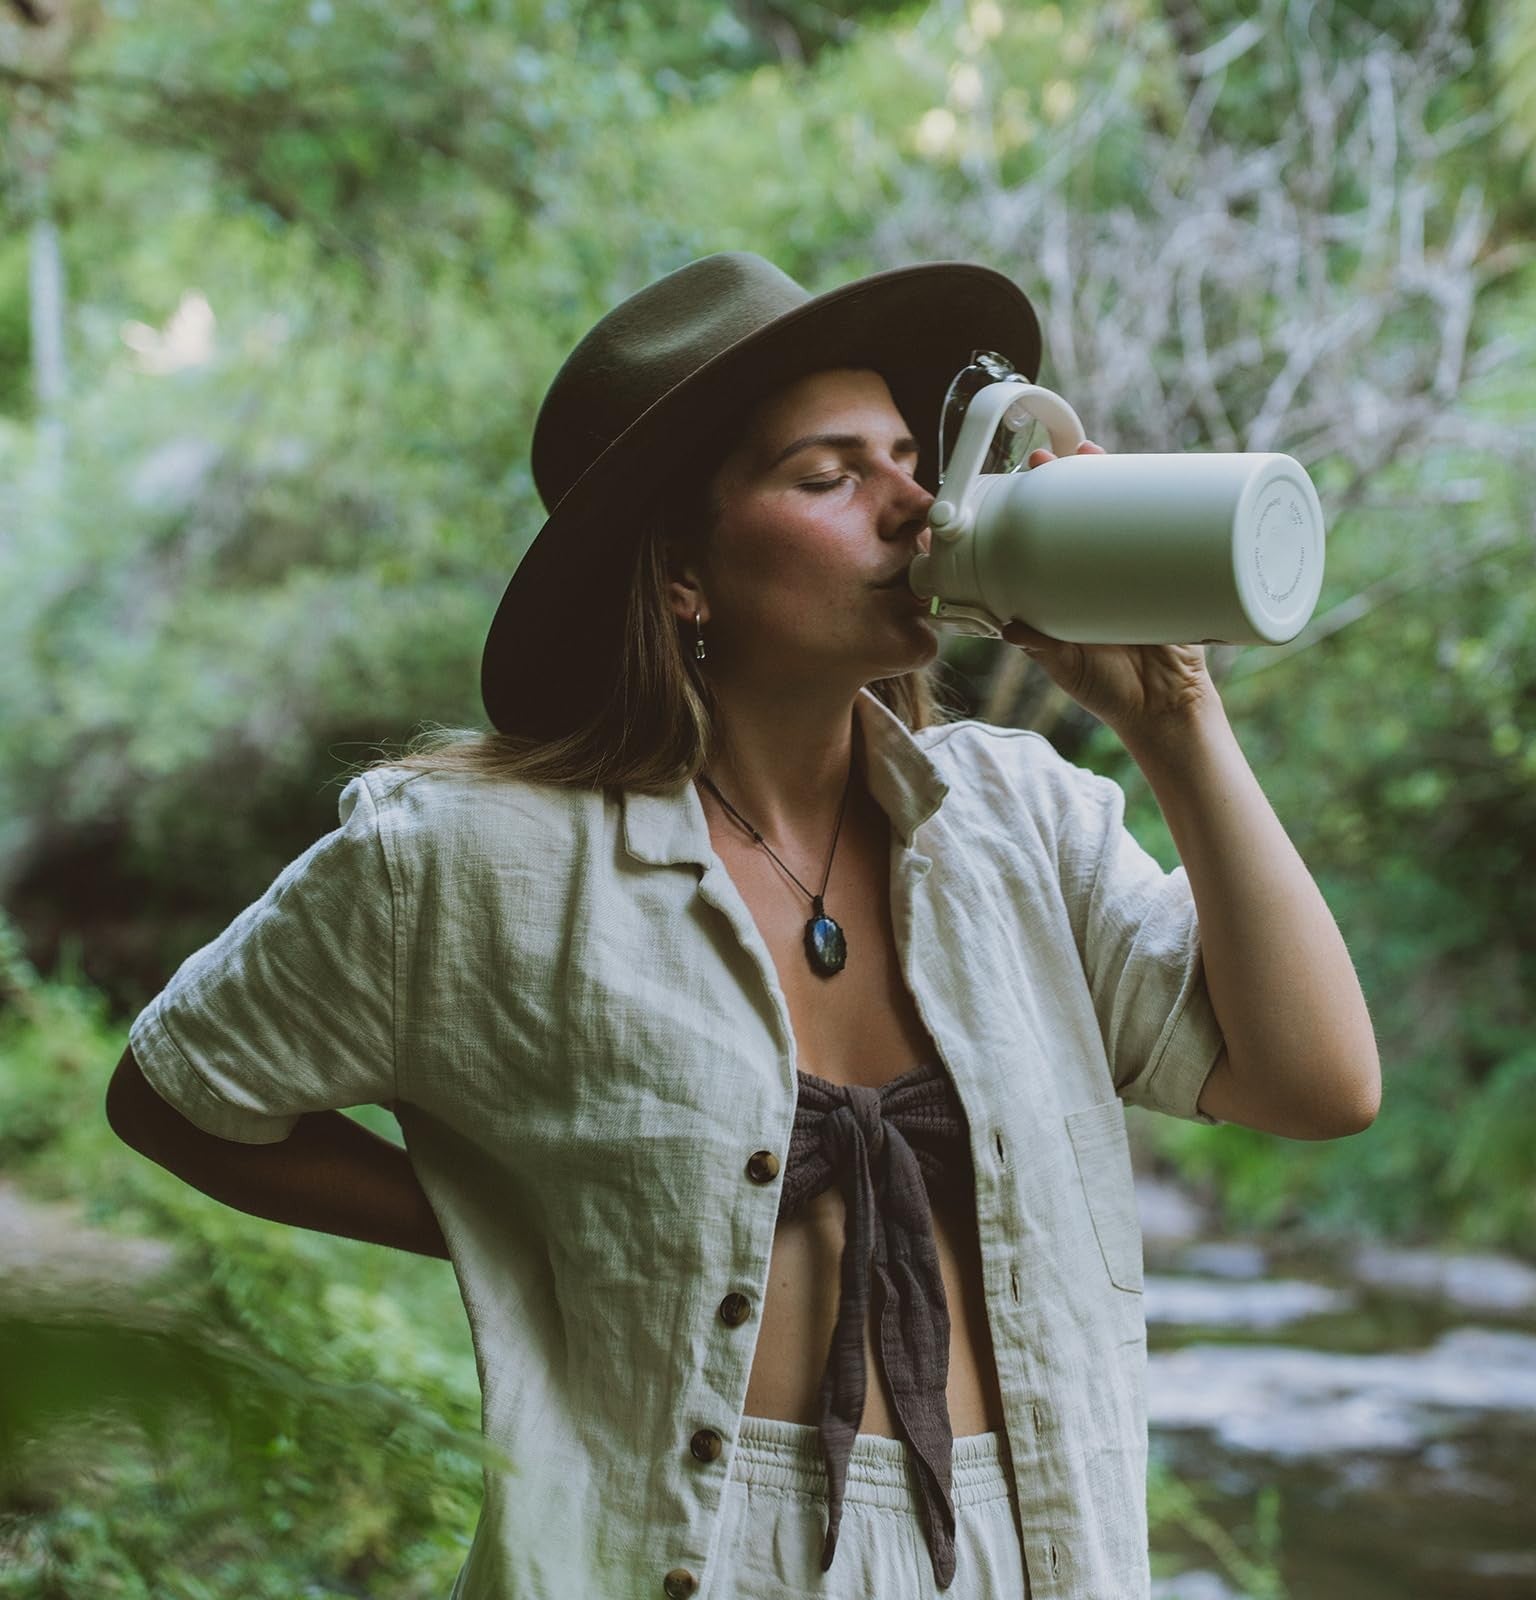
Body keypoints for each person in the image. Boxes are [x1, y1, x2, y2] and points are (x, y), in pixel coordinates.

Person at [106, 250, 1382, 1600]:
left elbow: (1317, 1081)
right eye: (829, 476)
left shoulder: (1019, 822)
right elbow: (179, 1095)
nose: (916, 506)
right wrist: (505, 1224)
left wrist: (1175, 721)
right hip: (685, 1554)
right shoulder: (473, 861)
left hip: (1029, 1549)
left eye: (910, 459)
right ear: (680, 579)